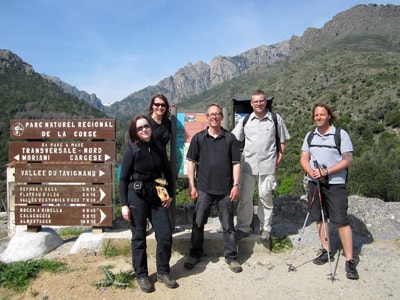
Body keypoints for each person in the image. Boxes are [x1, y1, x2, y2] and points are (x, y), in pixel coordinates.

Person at [119, 115, 179, 293]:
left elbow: (168, 171)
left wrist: (170, 194)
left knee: (165, 234)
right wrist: (124, 204)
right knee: (139, 237)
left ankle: (163, 272)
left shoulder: (158, 146)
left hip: (157, 196)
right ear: (134, 132)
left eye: (146, 126)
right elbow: (122, 179)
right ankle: (142, 275)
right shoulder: (132, 150)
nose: (144, 129)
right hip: (136, 197)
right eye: (140, 128)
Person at [300, 103, 359, 280]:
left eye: (322, 114)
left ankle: (349, 260)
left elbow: (347, 160)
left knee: (340, 220)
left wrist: (326, 171)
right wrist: (312, 173)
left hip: (335, 184)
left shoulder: (340, 135)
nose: (319, 117)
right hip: (314, 183)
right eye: (316, 115)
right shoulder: (310, 136)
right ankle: (326, 250)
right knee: (320, 217)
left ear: (329, 116)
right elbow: (304, 158)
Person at [184, 103, 242, 273]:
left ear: (221, 117)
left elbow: (236, 164)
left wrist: (235, 185)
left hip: (225, 190)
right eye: (211, 114)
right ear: (207, 117)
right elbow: (191, 163)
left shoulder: (230, 138)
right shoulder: (199, 138)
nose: (214, 117)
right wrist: (191, 185)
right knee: (198, 223)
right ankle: (195, 254)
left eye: (217, 114)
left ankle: (231, 257)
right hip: (203, 189)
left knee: (228, 226)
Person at [232, 89, 290, 241]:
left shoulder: (276, 119)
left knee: (265, 197)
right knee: (245, 198)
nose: (258, 104)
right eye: (255, 101)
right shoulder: (245, 121)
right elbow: (233, 139)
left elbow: (282, 142)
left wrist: (279, 160)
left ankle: (265, 228)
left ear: (266, 102)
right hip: (247, 167)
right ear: (251, 104)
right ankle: (243, 227)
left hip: (267, 167)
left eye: (261, 101)